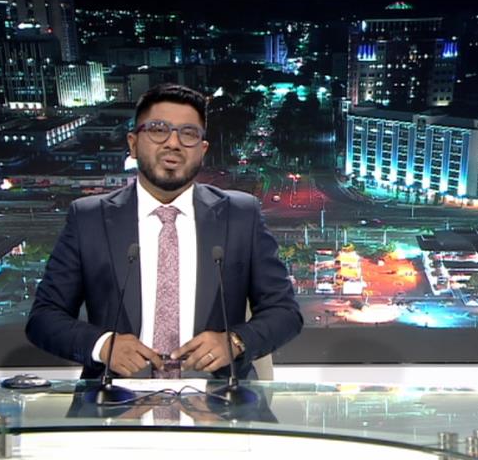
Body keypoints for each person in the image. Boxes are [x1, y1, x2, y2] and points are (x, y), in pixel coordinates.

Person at [26, 83, 302, 380]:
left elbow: (284, 312)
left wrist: (235, 342)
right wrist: (102, 346)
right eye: (158, 130)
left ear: (202, 150)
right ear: (133, 143)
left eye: (188, 133)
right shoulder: (89, 218)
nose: (173, 143)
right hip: (116, 397)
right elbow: (44, 317)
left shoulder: (240, 214)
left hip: (219, 396)